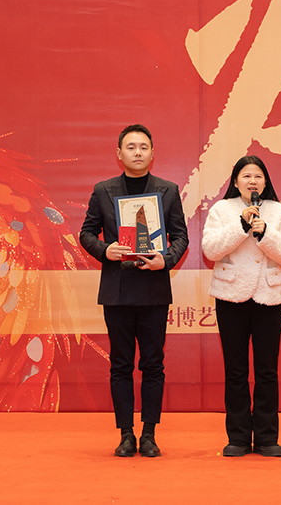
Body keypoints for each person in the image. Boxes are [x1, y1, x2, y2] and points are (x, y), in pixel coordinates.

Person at [79, 124, 188, 457]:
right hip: (118, 291)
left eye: (143, 147)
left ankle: (149, 434)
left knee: (153, 364)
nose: (137, 152)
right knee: (121, 364)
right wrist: (105, 250)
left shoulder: (168, 191)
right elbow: (86, 233)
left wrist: (166, 260)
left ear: (152, 153)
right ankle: (126, 434)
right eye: (131, 147)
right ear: (119, 153)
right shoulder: (103, 191)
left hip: (153, 290)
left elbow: (181, 236)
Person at [201, 155, 281, 457]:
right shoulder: (221, 210)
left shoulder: (278, 211)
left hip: (269, 297)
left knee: (267, 370)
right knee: (236, 370)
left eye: (258, 176)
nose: (252, 181)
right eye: (246, 176)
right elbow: (210, 250)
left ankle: (267, 438)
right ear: (235, 181)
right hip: (231, 297)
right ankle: (239, 438)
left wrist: (265, 232)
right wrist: (241, 225)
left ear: (265, 181)